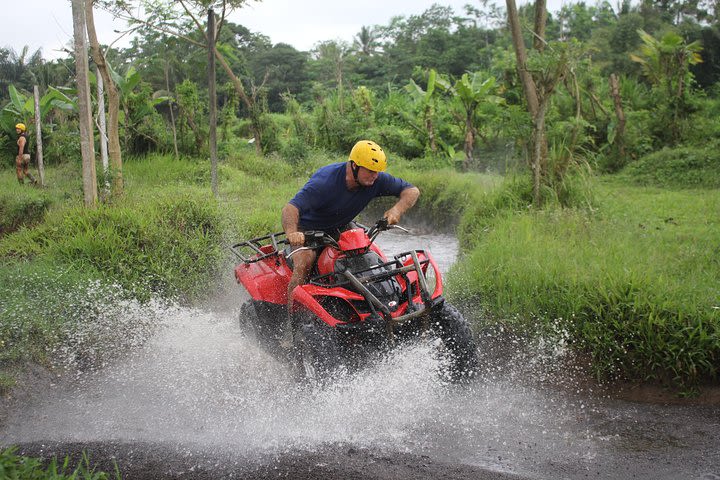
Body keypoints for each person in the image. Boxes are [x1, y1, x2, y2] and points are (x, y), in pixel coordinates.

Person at [280, 139, 420, 346]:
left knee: (370, 252)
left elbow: (412, 191)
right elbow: (290, 209)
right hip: (308, 232)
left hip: (343, 225)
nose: (374, 176)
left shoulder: (375, 180)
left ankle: (381, 302)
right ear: (354, 165)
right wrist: (293, 232)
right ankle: (291, 329)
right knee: (305, 263)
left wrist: (396, 210)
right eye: (370, 171)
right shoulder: (325, 182)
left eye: (377, 171)